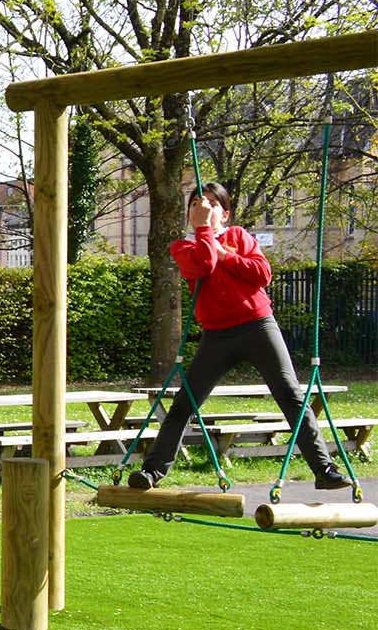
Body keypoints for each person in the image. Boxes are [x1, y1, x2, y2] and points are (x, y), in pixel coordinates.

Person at [127, 183, 350, 491]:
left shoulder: (239, 237)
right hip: (217, 336)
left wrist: (226, 254)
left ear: (225, 213)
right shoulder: (183, 247)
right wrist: (206, 233)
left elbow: (263, 274)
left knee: (291, 396)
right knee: (184, 403)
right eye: (194, 205)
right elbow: (204, 263)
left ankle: (325, 470)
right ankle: (151, 472)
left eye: (208, 205)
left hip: (257, 325)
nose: (199, 209)